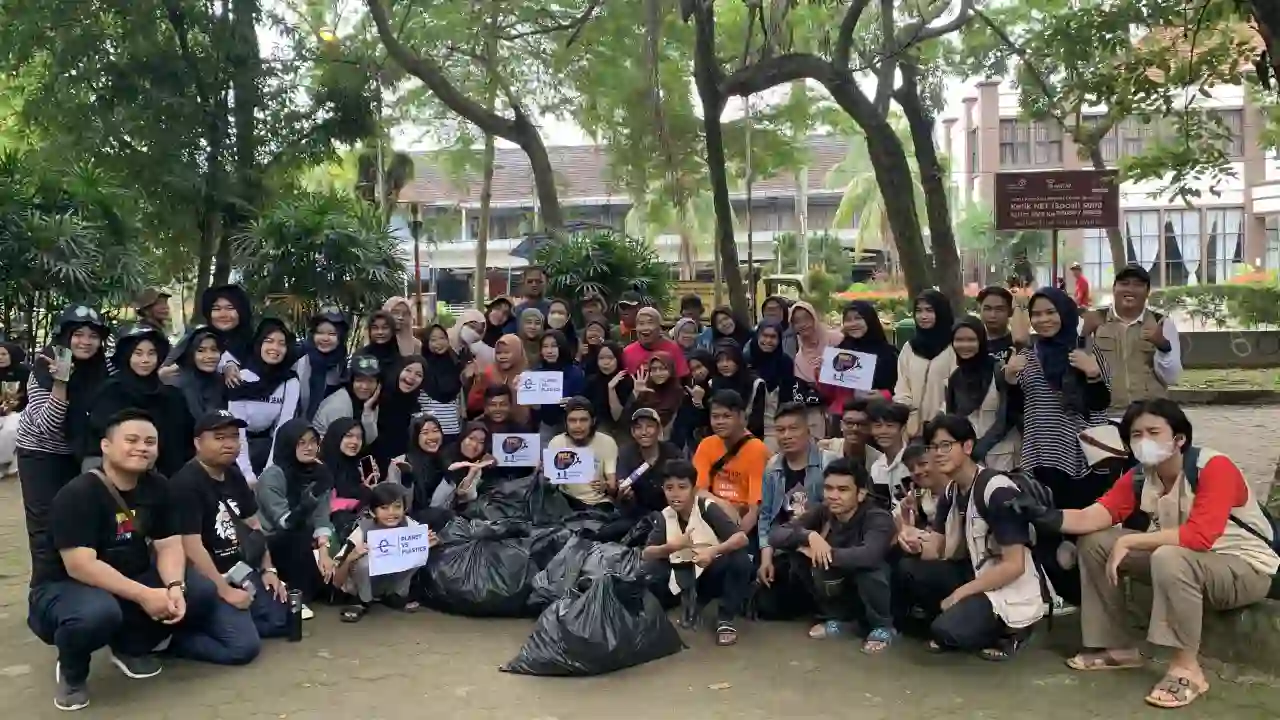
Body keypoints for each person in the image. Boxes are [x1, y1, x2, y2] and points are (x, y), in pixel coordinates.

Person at [1011, 399, 1278, 709]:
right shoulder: (1141, 477)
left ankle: (1187, 669)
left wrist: (1131, 543)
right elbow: (1091, 517)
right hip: (1188, 562)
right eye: (1136, 435)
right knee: (1096, 541)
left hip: (1245, 569)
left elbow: (1200, 536)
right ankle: (1115, 646)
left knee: (1169, 555)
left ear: (1179, 439)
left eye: (1153, 432)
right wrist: (1042, 515)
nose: (1144, 441)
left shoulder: (1213, 467)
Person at [27, 410, 250, 711]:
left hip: (129, 576)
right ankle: (72, 671)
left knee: (198, 590)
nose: (141, 448)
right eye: (131, 440)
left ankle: (130, 645)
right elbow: (80, 565)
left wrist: (174, 586)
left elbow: (169, 544)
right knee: (97, 613)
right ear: (106, 446)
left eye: (150, 441)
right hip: (66, 587)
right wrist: (145, 595)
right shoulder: (78, 494)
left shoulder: (158, 488)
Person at [896, 414, 1050, 660]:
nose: (937, 454)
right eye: (932, 447)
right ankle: (962, 619)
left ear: (967, 447)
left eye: (946, 445)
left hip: (1007, 583)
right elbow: (935, 548)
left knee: (945, 632)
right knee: (907, 568)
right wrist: (912, 541)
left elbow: (1015, 565)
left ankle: (1013, 630)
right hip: (973, 571)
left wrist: (960, 594)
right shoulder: (951, 490)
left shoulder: (997, 491)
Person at [173, 409, 290, 641]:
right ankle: (177, 639)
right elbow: (192, 547)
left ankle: (232, 623)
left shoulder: (234, 475)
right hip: (204, 575)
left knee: (281, 620)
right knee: (244, 646)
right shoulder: (185, 483)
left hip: (239, 567)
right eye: (219, 438)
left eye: (234, 436)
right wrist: (224, 590)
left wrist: (268, 569)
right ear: (198, 443)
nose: (229, 444)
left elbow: (254, 526)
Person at [16, 304, 110, 574]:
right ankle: (44, 592)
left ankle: (77, 589)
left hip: (79, 453)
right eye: (78, 334)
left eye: (93, 336)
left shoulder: (103, 367)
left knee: (78, 523)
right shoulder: (44, 367)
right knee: (46, 527)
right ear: (64, 336)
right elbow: (47, 425)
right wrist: (61, 382)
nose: (86, 342)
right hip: (40, 453)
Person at [768, 457, 897, 652]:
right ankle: (840, 620)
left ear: (861, 494)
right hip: (841, 583)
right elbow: (776, 535)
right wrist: (809, 536)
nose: (833, 496)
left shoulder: (877, 517)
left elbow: (869, 554)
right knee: (798, 556)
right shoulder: (824, 511)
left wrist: (823, 553)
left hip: (880, 591)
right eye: (829, 488)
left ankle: (883, 627)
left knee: (869, 569)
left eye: (843, 490)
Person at [1004, 287, 1111, 513]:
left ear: (1064, 312)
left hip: (1082, 455)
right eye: (1037, 314)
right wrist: (1010, 379)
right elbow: (1017, 407)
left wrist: (1092, 374)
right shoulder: (1027, 356)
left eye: (1050, 312)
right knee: (1045, 525)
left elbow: (1100, 404)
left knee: (1080, 525)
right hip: (1039, 454)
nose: (1043, 320)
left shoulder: (1087, 350)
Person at [642, 459, 752, 646]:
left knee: (741, 559)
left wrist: (712, 551)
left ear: (694, 489)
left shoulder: (706, 507)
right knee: (650, 570)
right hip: (683, 574)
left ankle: (725, 618)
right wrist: (670, 547)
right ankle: (685, 602)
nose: (675, 494)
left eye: (682, 487)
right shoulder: (665, 515)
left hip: (711, 569)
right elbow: (647, 553)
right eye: (669, 488)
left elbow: (741, 538)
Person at [85, 325, 193, 477]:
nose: (145, 360)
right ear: (127, 355)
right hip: (121, 477)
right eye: (138, 353)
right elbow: (101, 438)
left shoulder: (172, 396)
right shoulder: (111, 392)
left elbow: (185, 439)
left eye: (151, 353)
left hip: (169, 480)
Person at [254, 420, 335, 615]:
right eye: (301, 443)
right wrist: (307, 504)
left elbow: (322, 516)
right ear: (288, 444)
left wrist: (324, 551)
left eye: (313, 442)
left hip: (303, 539)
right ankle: (296, 595)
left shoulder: (319, 472)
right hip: (269, 540)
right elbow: (284, 522)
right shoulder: (272, 476)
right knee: (300, 532)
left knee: (329, 587)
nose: (309, 448)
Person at [1080, 264, 1182, 415]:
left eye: (1138, 285)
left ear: (1147, 292)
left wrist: (1162, 345)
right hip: (1104, 414)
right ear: (1114, 289)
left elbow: (1172, 377)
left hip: (1150, 415)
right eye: (1124, 284)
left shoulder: (1161, 323)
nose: (1130, 289)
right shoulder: (1092, 320)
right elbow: (1075, 364)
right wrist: (1083, 336)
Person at [758, 403, 839, 589]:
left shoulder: (828, 462)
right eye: (780, 430)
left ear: (808, 430)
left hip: (824, 541)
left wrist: (819, 543)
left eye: (793, 428)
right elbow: (766, 518)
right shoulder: (772, 468)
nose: (786, 435)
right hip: (786, 540)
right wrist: (766, 559)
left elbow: (837, 511)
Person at [334, 483, 439, 622]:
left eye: (397, 507)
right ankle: (361, 601)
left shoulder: (408, 524)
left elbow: (423, 546)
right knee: (363, 563)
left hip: (390, 582)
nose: (391, 513)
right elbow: (336, 582)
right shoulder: (363, 530)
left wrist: (428, 543)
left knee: (417, 550)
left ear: (404, 509)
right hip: (362, 584)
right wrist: (350, 558)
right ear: (372, 511)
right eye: (384, 508)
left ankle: (396, 595)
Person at [227, 318, 301, 484]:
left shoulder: (289, 381)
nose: (275, 348)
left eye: (281, 343)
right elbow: (237, 430)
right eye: (269, 341)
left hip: (268, 448)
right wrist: (248, 475)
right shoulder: (241, 377)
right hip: (236, 447)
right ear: (259, 343)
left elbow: (282, 427)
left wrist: (269, 472)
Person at [692, 390, 771, 535]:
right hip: (711, 515)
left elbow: (755, 508)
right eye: (715, 417)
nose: (720, 422)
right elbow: (696, 490)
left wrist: (736, 538)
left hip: (744, 523)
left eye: (727, 416)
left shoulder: (757, 449)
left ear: (741, 417)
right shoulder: (706, 444)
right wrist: (722, 504)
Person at [945, 317, 1019, 472]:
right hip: (969, 458)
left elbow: (1007, 417)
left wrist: (979, 448)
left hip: (1002, 455)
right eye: (959, 340)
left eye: (971, 339)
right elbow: (952, 420)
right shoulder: (956, 378)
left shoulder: (997, 371)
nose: (965, 345)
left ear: (981, 340)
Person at [894, 290, 957, 438]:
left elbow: (955, 388)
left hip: (945, 428)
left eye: (929, 310)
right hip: (911, 429)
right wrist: (905, 411)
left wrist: (939, 418)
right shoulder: (910, 348)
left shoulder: (954, 348)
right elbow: (902, 385)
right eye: (918, 310)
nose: (923, 316)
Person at [826, 302, 899, 429]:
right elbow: (829, 392)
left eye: (858, 318)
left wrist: (885, 395)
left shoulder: (888, 354)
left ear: (869, 320)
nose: (853, 324)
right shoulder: (840, 351)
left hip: (877, 419)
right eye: (848, 320)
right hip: (846, 419)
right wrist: (821, 371)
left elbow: (900, 388)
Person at [385, 413, 463, 521]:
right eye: (425, 433)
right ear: (415, 437)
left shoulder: (447, 462)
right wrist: (407, 478)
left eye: (436, 431)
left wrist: (451, 476)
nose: (432, 437)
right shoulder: (400, 462)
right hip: (408, 524)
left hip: (440, 524)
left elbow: (452, 503)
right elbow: (394, 505)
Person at [547, 397, 619, 510]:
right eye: (572, 420)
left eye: (584, 420)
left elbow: (613, 487)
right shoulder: (557, 443)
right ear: (565, 423)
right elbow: (548, 486)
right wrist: (541, 473)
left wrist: (605, 486)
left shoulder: (607, 442)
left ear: (593, 421)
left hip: (599, 503)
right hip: (566, 501)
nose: (578, 426)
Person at [616, 408, 684, 521]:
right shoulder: (626, 453)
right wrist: (624, 493)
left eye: (650, 426)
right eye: (638, 428)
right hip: (636, 515)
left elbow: (684, 485)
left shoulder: (672, 452)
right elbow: (620, 486)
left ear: (659, 430)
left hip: (669, 513)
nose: (644, 432)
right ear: (632, 432)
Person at [789, 300, 841, 439]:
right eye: (797, 321)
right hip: (818, 416)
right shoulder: (799, 359)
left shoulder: (836, 339)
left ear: (814, 318)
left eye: (806, 318)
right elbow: (803, 393)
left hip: (845, 407)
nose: (803, 324)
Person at [368, 355, 426, 473]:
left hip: (397, 466)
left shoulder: (416, 405)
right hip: (371, 462)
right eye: (408, 370)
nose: (412, 377)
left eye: (418, 375)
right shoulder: (377, 395)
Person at [746, 320, 796, 451]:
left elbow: (787, 396)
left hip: (772, 426)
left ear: (779, 340)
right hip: (746, 424)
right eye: (764, 335)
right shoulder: (746, 359)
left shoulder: (785, 362)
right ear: (757, 336)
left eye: (773, 337)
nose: (768, 340)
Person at [312, 353, 381, 445]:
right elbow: (343, 446)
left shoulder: (370, 399)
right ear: (351, 381)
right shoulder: (339, 406)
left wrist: (367, 411)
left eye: (370, 381)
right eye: (359, 380)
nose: (365, 386)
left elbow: (369, 439)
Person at [295, 309, 349, 422]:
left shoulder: (340, 362)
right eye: (320, 333)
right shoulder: (298, 355)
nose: (325, 338)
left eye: (332, 334)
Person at [534, 329, 586, 443]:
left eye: (554, 346)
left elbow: (585, 401)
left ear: (562, 347)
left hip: (571, 424)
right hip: (547, 424)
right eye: (545, 346)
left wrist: (573, 402)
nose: (549, 351)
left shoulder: (575, 372)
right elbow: (535, 408)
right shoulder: (537, 373)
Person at [465, 334, 531, 425]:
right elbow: (472, 405)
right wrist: (479, 382)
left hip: (523, 426)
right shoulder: (488, 373)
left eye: (507, 352)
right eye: (499, 353)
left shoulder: (528, 376)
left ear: (517, 352)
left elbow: (537, 407)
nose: (502, 356)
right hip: (493, 426)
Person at [322, 417, 378, 522]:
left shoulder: (356, 467)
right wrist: (365, 493)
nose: (355, 442)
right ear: (336, 437)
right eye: (349, 436)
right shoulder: (321, 468)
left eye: (359, 437)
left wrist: (367, 487)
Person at [709, 340, 765, 438]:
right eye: (719, 360)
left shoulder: (756, 384)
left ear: (738, 360)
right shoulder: (713, 384)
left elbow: (758, 422)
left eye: (729, 359)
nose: (724, 364)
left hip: (750, 439)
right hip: (718, 438)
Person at [168, 326, 225, 422]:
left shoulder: (221, 381)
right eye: (201, 351)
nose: (209, 356)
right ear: (190, 353)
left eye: (214, 349)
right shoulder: (175, 385)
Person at [419, 323, 465, 441]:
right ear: (426, 342)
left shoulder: (456, 364)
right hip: (427, 432)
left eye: (442, 338)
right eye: (433, 340)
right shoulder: (421, 367)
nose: (439, 342)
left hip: (452, 429)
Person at [866, 400, 911, 508]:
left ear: (903, 428)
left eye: (890, 426)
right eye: (878, 426)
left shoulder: (912, 463)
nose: (883, 431)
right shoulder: (876, 468)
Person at [621, 306, 690, 377]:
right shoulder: (627, 352)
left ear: (659, 327)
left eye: (650, 322)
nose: (645, 328)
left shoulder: (673, 349)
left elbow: (683, 379)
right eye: (641, 323)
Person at [196, 284, 254, 366]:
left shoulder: (256, 344)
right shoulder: (196, 340)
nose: (223, 315)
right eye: (216, 309)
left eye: (230, 308)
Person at [583, 342, 632, 436]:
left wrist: (611, 389)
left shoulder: (627, 382)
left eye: (610, 358)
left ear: (618, 359)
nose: (605, 362)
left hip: (622, 431)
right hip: (596, 431)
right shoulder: (591, 381)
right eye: (601, 358)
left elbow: (618, 417)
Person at [819, 397, 882, 471]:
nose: (855, 428)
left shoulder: (878, 460)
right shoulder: (824, 449)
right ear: (841, 425)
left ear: (870, 428)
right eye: (849, 423)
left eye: (861, 424)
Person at [0, 339, 30, 478]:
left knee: (9, 430)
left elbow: (29, 396)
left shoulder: (25, 372)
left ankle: (6, 462)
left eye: (4, 354)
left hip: (20, 410)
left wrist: (14, 408)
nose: (0, 357)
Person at [977, 286, 1022, 364]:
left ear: (1010, 312)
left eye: (999, 309)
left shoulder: (1018, 344)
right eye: (987, 309)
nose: (993, 315)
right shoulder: (972, 344)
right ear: (980, 310)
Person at [505, 266, 552, 333]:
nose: (534, 284)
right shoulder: (515, 312)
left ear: (546, 283)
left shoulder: (554, 309)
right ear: (523, 283)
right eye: (530, 281)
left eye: (539, 281)